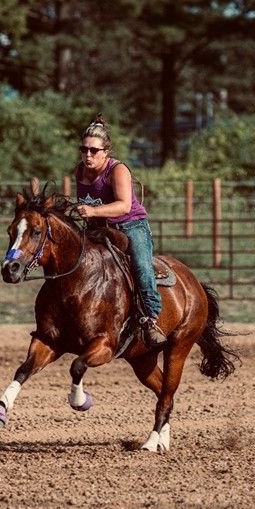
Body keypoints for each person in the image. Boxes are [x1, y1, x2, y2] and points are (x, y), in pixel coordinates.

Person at [74, 114, 167, 347]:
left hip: (131, 226)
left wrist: (92, 212)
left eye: (94, 151)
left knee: (142, 266)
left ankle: (151, 318)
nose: (88, 155)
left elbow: (124, 205)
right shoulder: (80, 171)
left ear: (106, 151)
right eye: (84, 149)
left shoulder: (117, 170)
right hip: (100, 229)